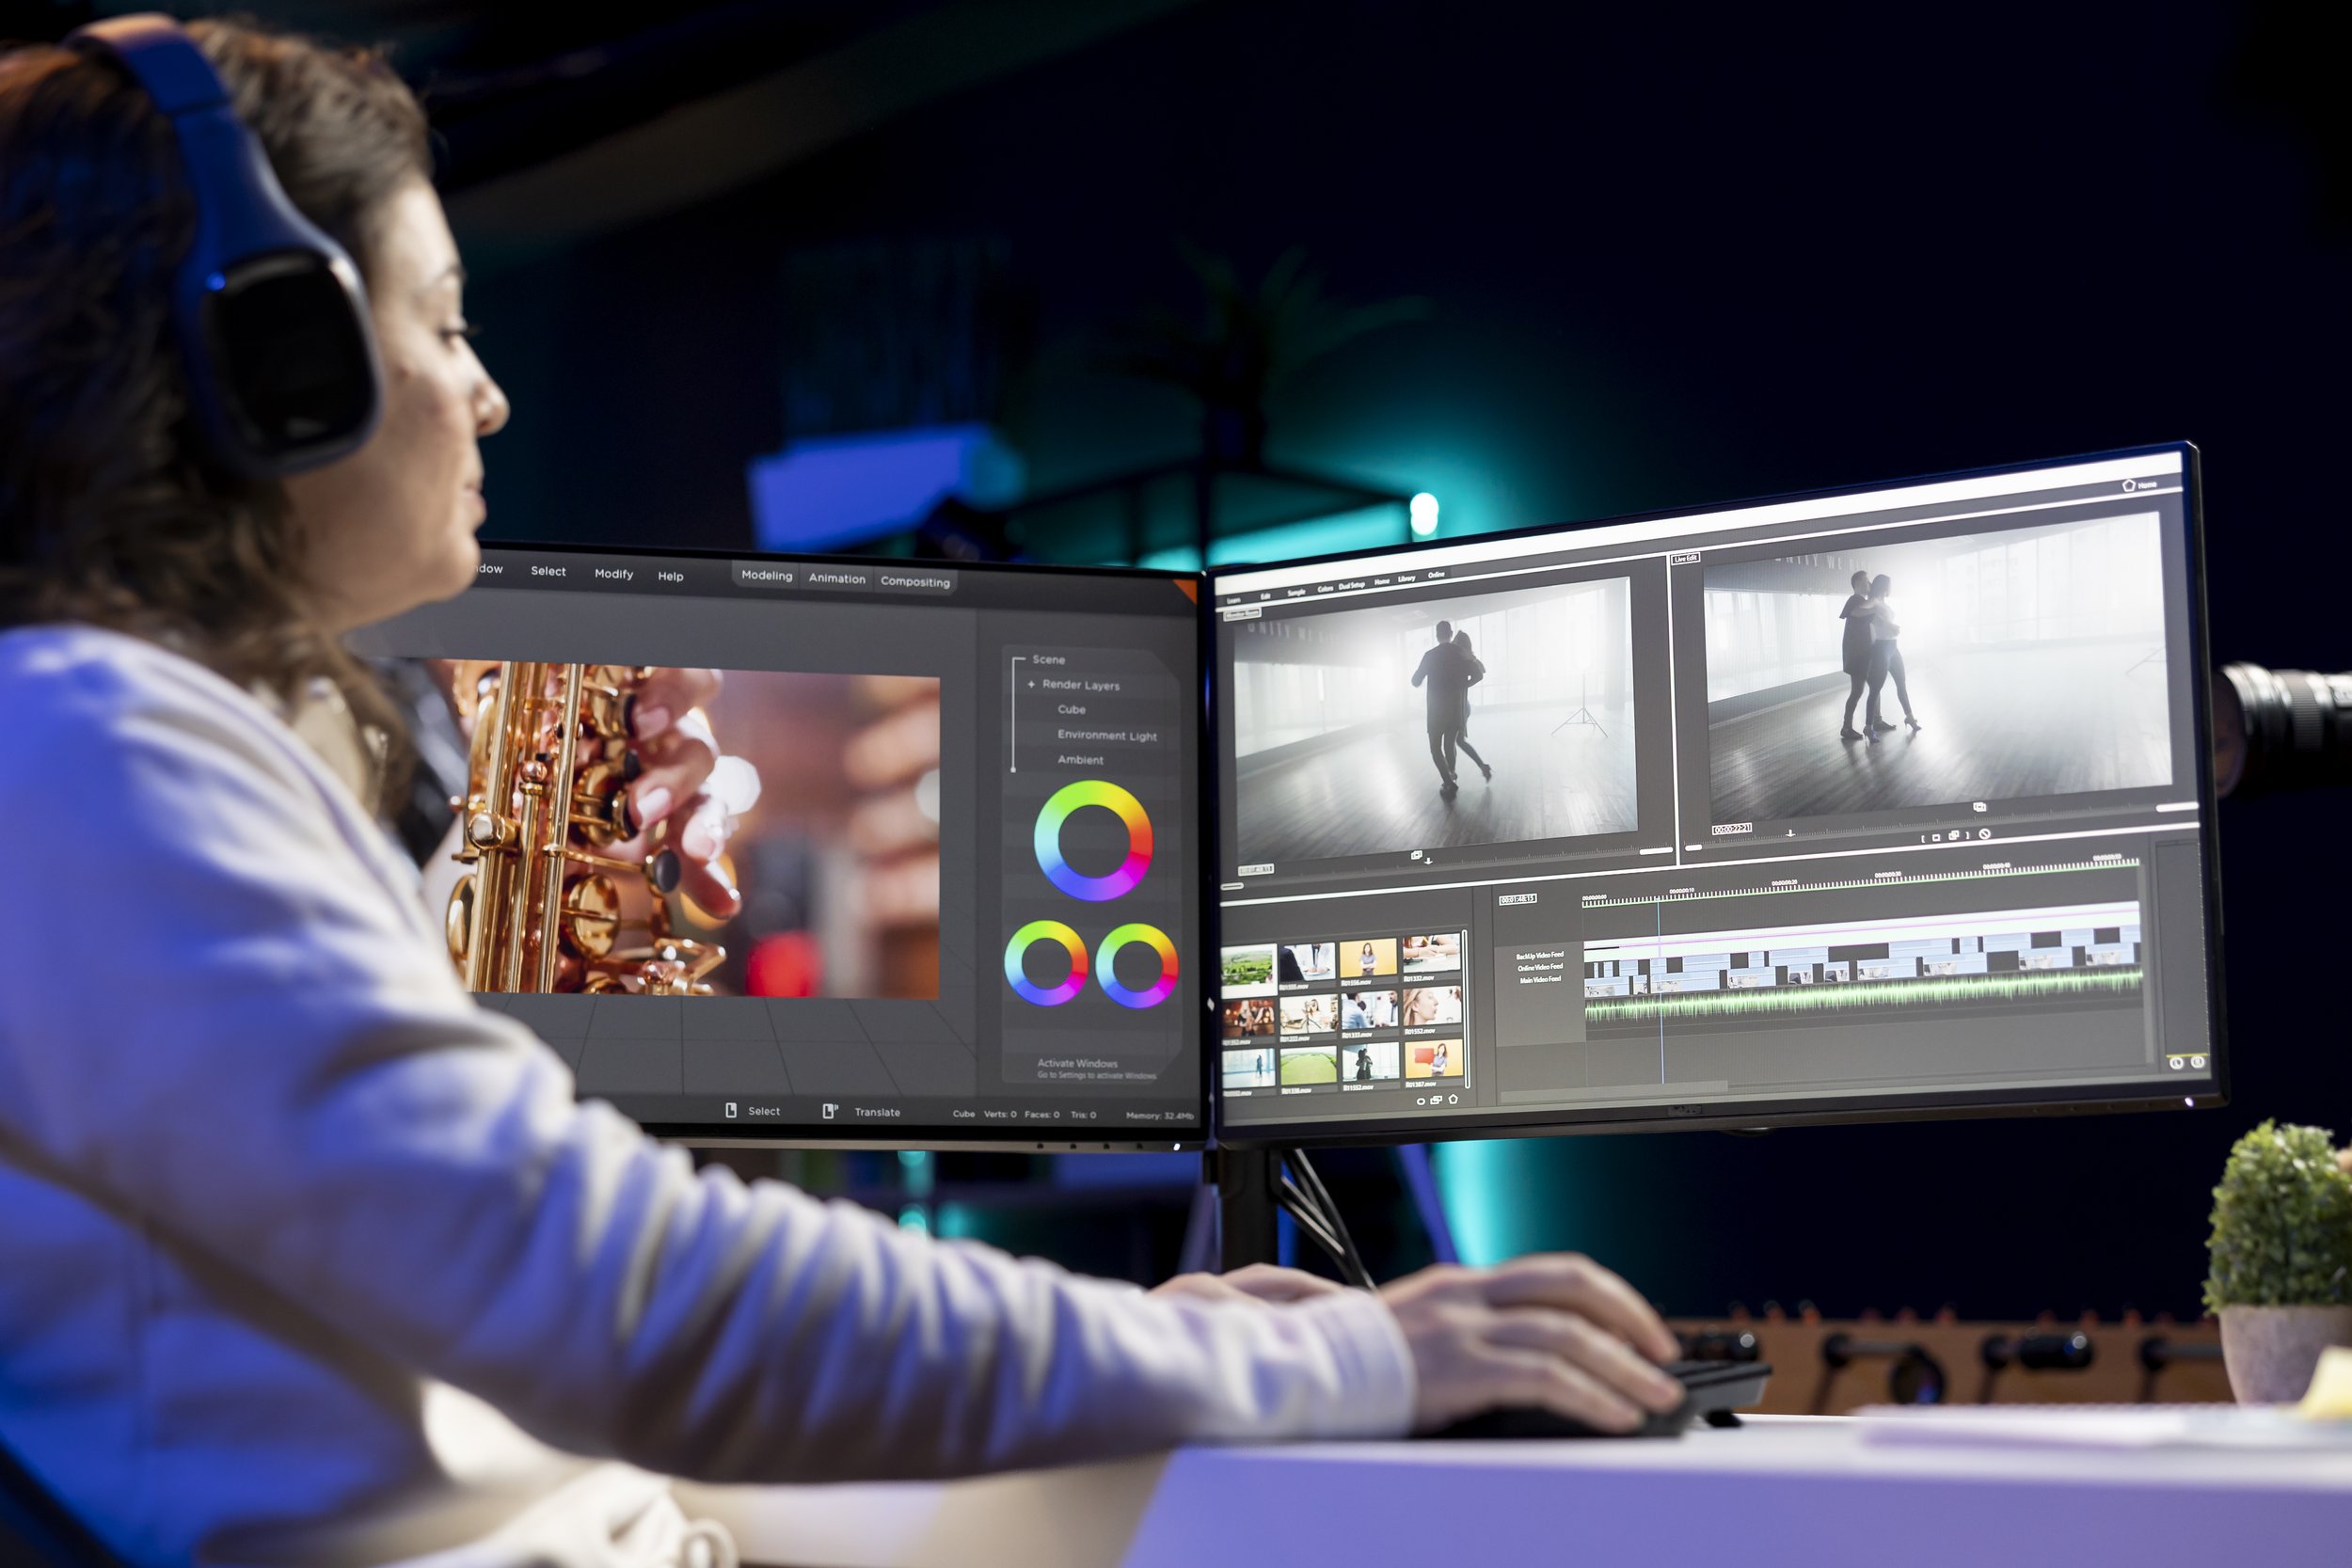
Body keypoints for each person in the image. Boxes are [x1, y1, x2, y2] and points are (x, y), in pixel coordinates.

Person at [0, 22, 1689, 1568]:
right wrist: (1324, 1348)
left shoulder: (154, 744)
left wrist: (1159, 1360)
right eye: (442, 324)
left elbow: (566, 1369)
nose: (490, 390)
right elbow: (631, 1310)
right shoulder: (95, 752)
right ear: (273, 365)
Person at [1410, 619, 1472, 798]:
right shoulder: (1460, 653)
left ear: (1437, 635)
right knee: (1449, 746)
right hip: (1455, 709)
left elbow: (1415, 681)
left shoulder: (1430, 655)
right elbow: (1476, 673)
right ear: (1451, 633)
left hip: (1436, 711)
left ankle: (1448, 782)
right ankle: (1451, 773)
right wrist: (1464, 685)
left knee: (1436, 749)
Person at [1863, 572, 1923, 740]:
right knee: (1875, 689)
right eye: (1889, 584)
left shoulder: (1883, 602)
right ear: (1883, 586)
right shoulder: (1874, 601)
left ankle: (1909, 717)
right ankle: (1868, 727)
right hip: (1881, 648)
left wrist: (1891, 627)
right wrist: (1891, 626)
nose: (1891, 587)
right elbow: (1871, 617)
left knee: (1901, 684)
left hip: (1893, 648)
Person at [1449, 628, 1493, 783]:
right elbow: (1482, 671)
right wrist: (1466, 684)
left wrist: (1464, 685)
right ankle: (1482, 766)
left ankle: (1451, 775)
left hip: (1459, 707)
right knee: (1458, 741)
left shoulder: (1461, 660)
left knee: (1454, 741)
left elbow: (1481, 673)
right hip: (1463, 706)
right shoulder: (1468, 659)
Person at [1836, 568, 1875, 741]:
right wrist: (1876, 604)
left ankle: (1875, 721)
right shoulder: (1854, 600)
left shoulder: (1862, 601)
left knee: (1873, 686)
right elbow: (1857, 612)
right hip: (1857, 654)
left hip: (1863, 653)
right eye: (1867, 581)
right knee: (1857, 691)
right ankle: (1846, 727)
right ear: (1859, 583)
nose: (1870, 584)